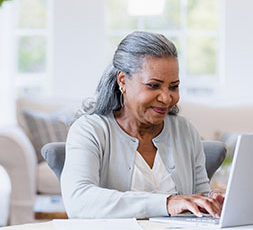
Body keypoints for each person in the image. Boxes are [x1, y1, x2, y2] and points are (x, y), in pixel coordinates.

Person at [61, 31, 224, 219]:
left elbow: (198, 197)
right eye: (154, 85)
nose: (166, 98)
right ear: (122, 81)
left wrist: (212, 202)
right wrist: (167, 203)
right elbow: (78, 201)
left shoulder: (184, 130)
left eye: (173, 86)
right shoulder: (90, 130)